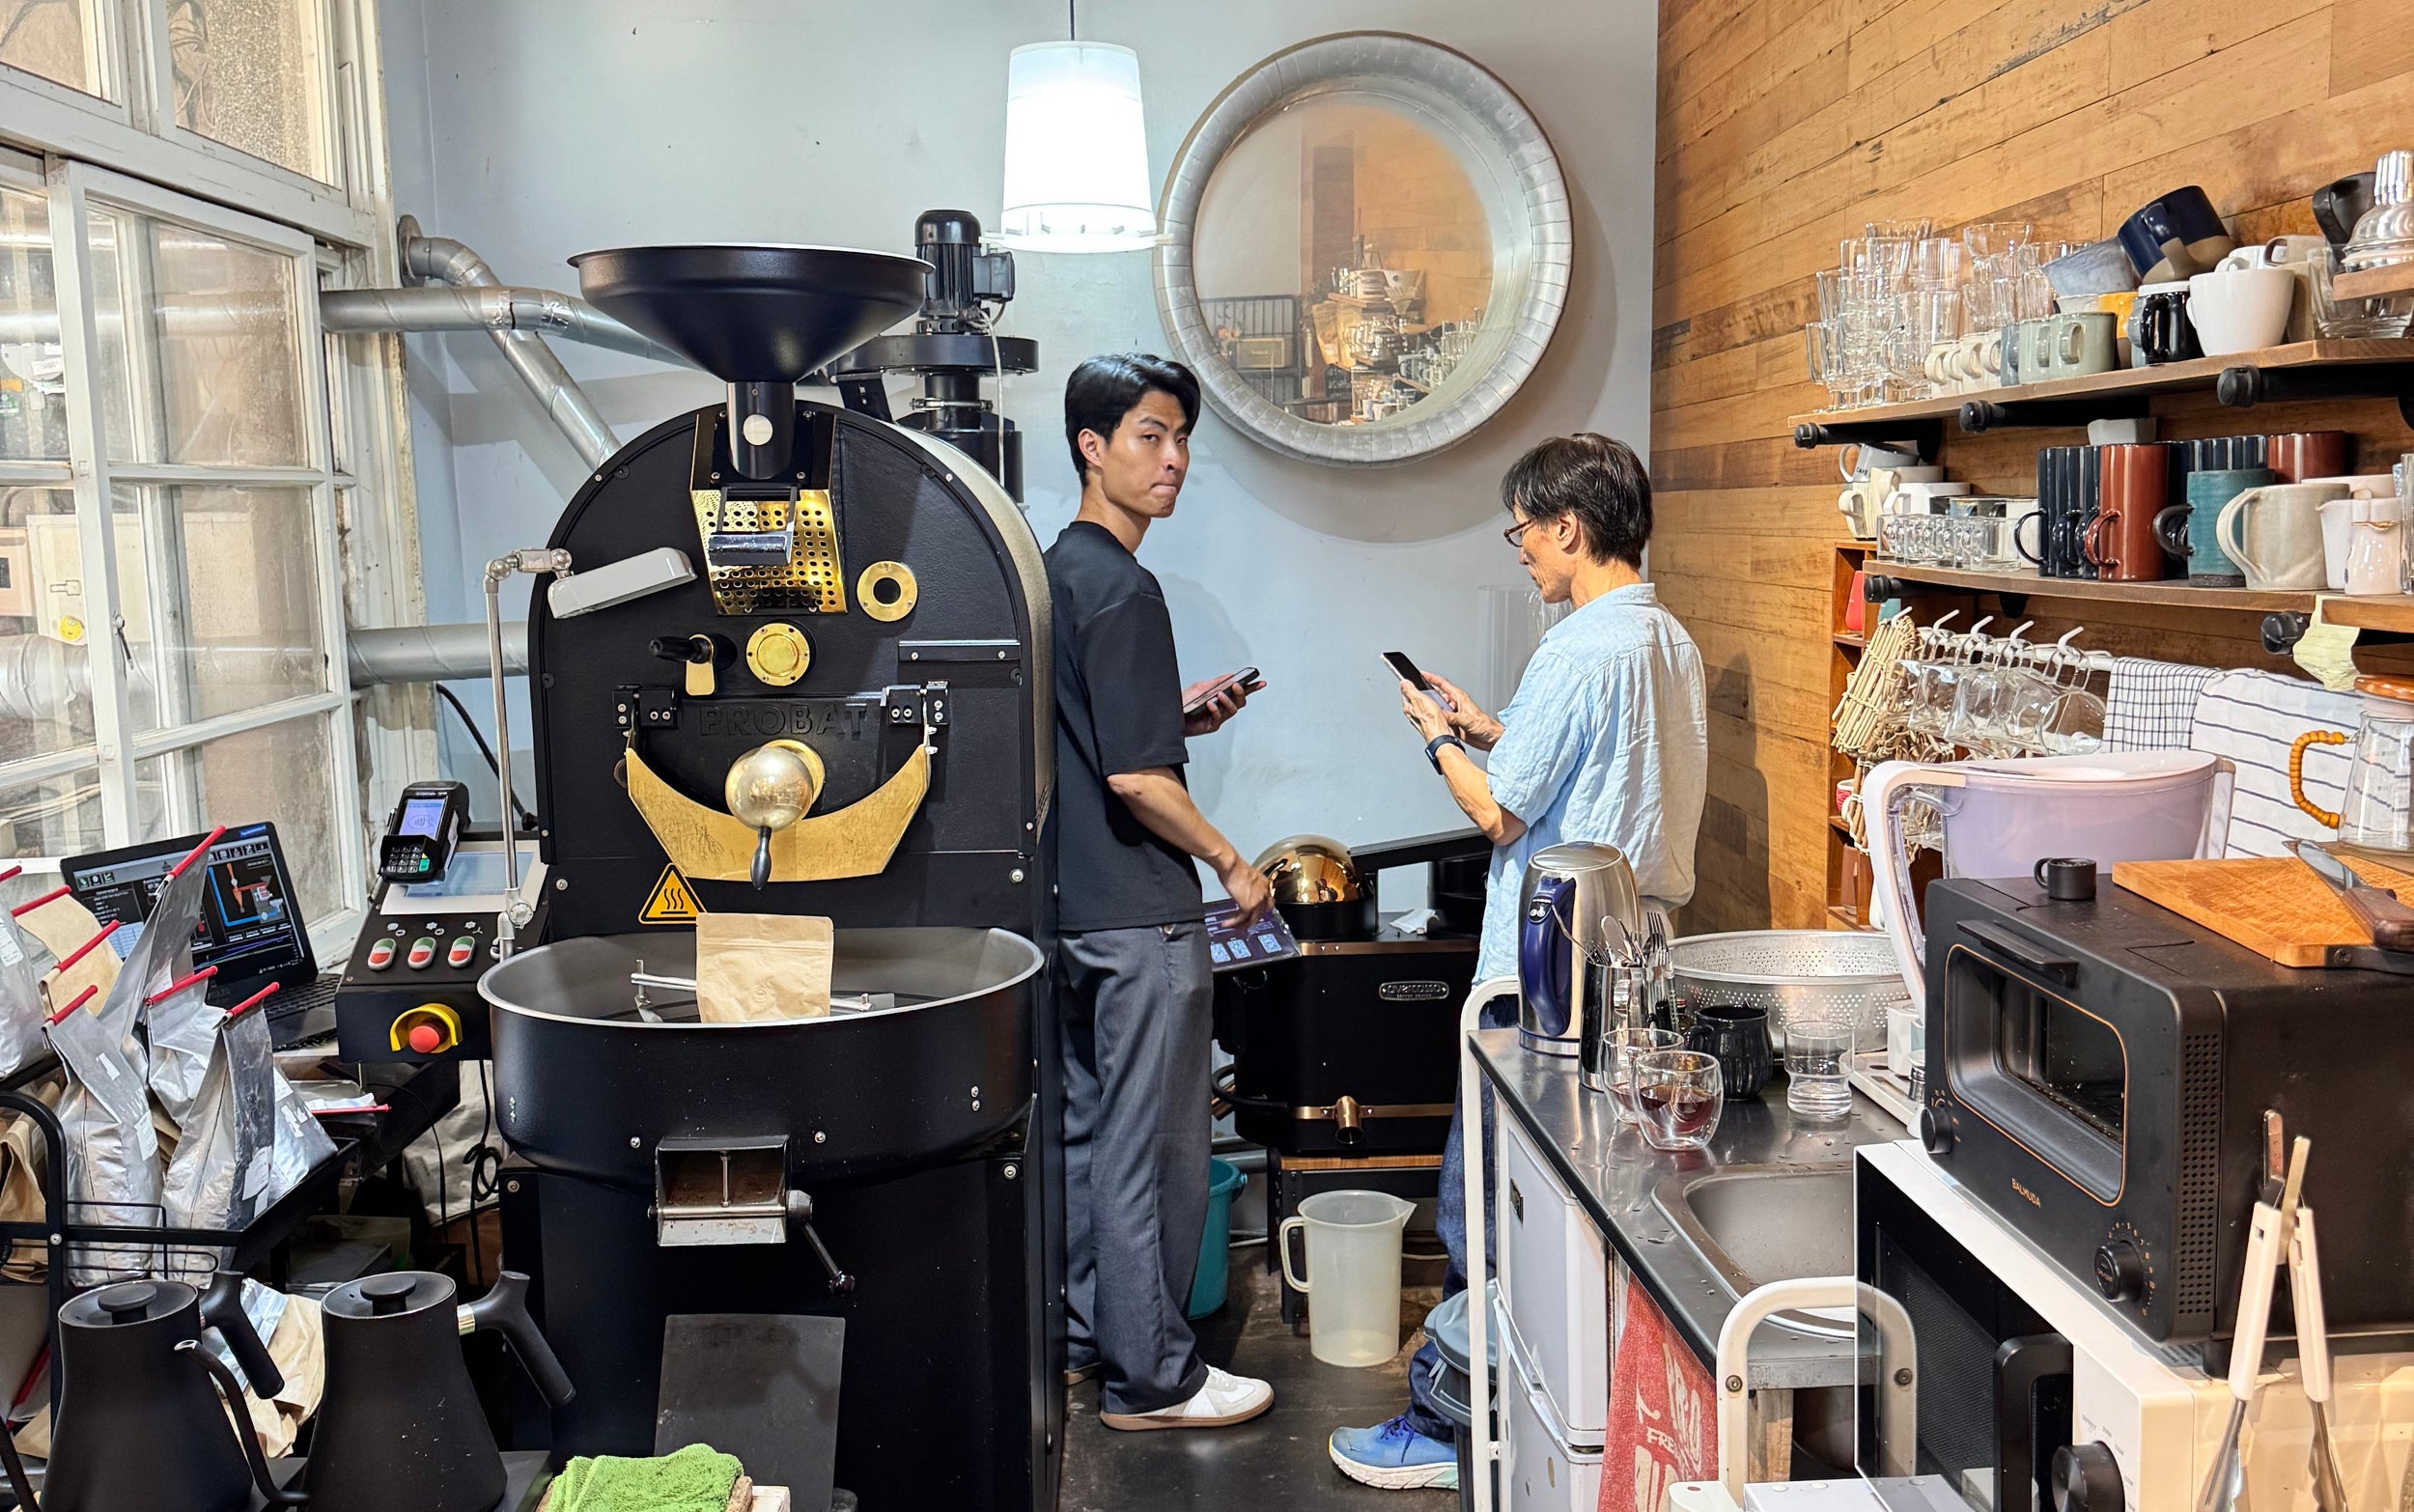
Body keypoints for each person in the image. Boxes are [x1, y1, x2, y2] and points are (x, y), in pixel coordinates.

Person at [1328, 432, 1707, 1489]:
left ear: (1569, 528)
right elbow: (1572, 771)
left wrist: (1435, 737)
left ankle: (1449, 1430)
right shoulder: (1664, 640)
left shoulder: (1578, 647)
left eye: (1523, 532)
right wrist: (1491, 725)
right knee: (1566, 1214)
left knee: (1481, 1207)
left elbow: (1500, 815)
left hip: (1543, 982)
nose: (1522, 554)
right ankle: (1525, 1420)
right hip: (1639, 967)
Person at [1048, 352, 1277, 1432]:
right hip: (1140, 914)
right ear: (1091, 447)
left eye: (1181, 438)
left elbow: (1087, 737)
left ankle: (1095, 1343)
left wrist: (1170, 715)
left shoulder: (1054, 572)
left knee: (1091, 1139)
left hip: (1068, 912)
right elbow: (1134, 779)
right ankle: (1157, 1381)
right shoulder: (1127, 587)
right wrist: (1233, 862)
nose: (1173, 459)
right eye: (1149, 435)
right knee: (1157, 1149)